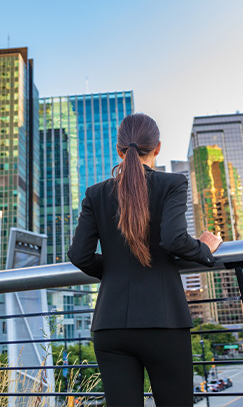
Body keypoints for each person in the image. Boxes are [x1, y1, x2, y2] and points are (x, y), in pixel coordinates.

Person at [68, 113, 223, 406]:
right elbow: (174, 239)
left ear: (119, 150)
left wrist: (114, 271)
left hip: (110, 327)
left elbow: (79, 255)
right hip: (163, 322)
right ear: (158, 148)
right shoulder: (172, 184)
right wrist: (204, 248)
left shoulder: (95, 194)